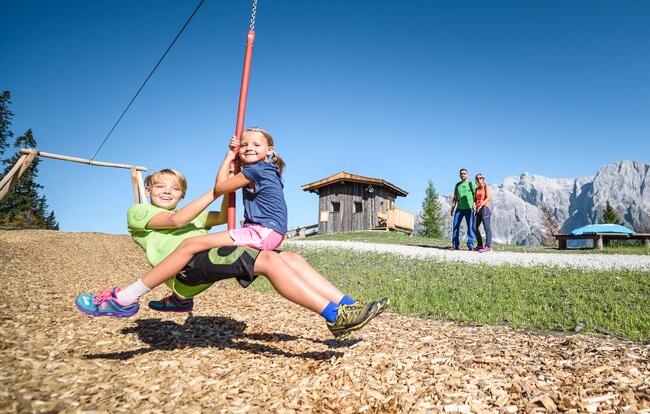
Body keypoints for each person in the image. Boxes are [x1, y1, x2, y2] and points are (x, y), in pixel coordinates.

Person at [76, 129, 384, 338]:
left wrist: (231, 167)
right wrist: (230, 173)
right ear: (147, 190)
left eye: (175, 189)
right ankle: (344, 307)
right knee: (279, 259)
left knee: (206, 244)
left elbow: (223, 208)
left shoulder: (248, 177)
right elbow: (184, 218)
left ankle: (347, 305)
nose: (167, 193)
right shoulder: (141, 211)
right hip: (226, 251)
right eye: (161, 187)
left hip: (239, 243)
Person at [450, 168, 476, 250]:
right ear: (459, 175)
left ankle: (470, 245)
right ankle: (455, 245)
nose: (462, 175)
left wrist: (474, 204)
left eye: (464, 173)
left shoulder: (471, 183)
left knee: (470, 226)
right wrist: (452, 208)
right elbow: (455, 198)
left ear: (467, 174)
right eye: (461, 173)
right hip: (459, 209)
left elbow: (476, 195)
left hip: (469, 208)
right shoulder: (457, 185)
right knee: (455, 226)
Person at [472, 173, 493, 252]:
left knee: (486, 228)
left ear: (483, 179)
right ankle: (480, 245)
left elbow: (488, 198)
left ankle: (487, 246)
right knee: (474, 227)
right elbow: (475, 199)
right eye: (477, 178)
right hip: (478, 210)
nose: (479, 180)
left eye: (480, 178)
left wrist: (481, 205)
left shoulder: (486, 187)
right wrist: (474, 205)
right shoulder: (477, 189)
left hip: (485, 209)